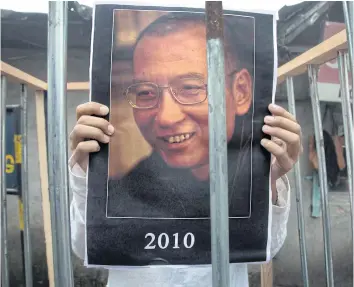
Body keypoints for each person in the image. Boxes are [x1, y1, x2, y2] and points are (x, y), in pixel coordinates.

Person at [69, 12, 302, 287]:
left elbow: (263, 252)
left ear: (240, 91)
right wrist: (87, 176)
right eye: (145, 92)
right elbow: (86, 248)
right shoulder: (125, 186)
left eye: (190, 88)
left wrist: (268, 180)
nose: (166, 117)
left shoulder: (248, 173)